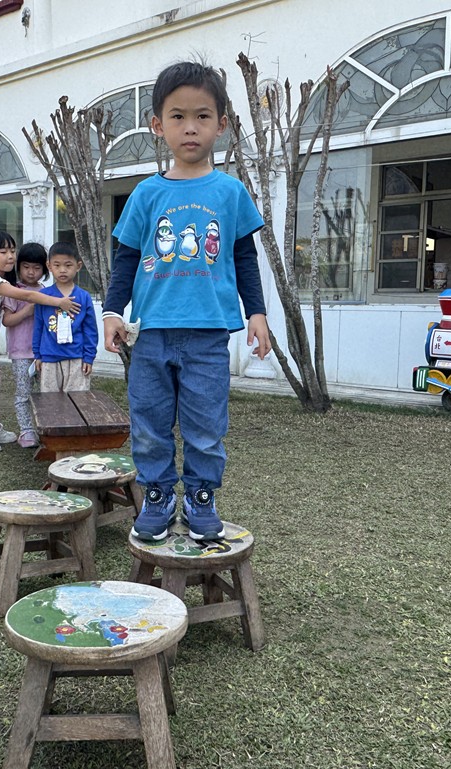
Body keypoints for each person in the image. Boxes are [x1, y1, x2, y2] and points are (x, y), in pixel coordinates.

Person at [102, 60, 271, 541]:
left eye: (202, 116)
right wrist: (112, 311)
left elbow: (244, 258)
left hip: (208, 335)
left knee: (205, 426)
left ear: (222, 124)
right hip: (151, 334)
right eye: (178, 116)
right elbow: (126, 259)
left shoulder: (230, 192)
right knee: (149, 423)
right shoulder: (146, 194)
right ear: (158, 125)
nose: (190, 127)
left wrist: (257, 313)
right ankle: (156, 496)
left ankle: (201, 498)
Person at [0, 226, 80, 454]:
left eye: (12, 251)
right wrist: (58, 302)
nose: (10, 256)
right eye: (3, 252)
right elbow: (26, 295)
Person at [33, 241, 98, 394]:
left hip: (76, 358)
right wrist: (37, 355)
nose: (62, 270)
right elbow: (38, 327)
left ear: (78, 266)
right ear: (49, 266)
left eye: (68, 265)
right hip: (49, 357)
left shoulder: (84, 297)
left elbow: (90, 330)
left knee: (77, 400)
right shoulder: (43, 296)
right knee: (50, 401)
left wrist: (89, 357)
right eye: (57, 265)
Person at [1, 242, 48, 449]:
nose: (31, 272)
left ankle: (46, 428)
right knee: (23, 393)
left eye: (36, 268)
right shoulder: (14, 291)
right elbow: (7, 320)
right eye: (26, 267)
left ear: (45, 269)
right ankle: (27, 431)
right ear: (18, 267)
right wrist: (28, 310)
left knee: (46, 393)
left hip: (44, 353)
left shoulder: (46, 291)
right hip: (21, 351)